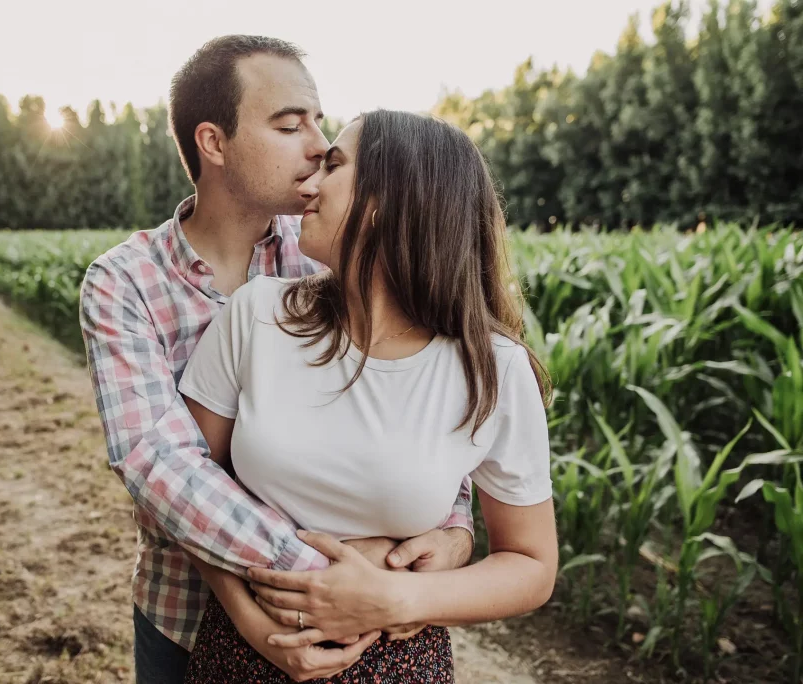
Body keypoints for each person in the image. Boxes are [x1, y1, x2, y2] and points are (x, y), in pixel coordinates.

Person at [79, 36, 476, 684]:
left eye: (320, 122)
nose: (318, 145)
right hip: (187, 613)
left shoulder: (329, 246)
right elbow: (161, 463)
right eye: (291, 124)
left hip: (356, 617)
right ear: (213, 143)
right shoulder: (124, 283)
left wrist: (454, 529)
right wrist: (321, 575)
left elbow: (419, 394)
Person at [176, 110, 559, 683]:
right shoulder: (257, 314)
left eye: (333, 165)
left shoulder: (493, 369)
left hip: (396, 661)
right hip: (243, 651)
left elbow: (532, 565)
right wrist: (251, 616)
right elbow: (190, 490)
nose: (308, 183)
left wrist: (394, 598)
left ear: (387, 199)